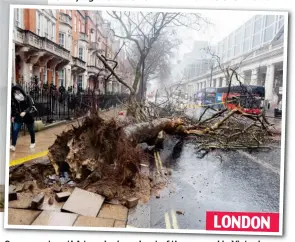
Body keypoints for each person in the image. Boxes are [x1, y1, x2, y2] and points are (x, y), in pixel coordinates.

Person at [10, 84, 36, 151]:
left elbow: (30, 106)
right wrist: (12, 116)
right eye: (15, 91)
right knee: (15, 130)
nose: (16, 92)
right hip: (18, 116)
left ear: (21, 90)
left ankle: (33, 142)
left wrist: (25, 112)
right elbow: (13, 107)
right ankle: (13, 145)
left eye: (18, 90)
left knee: (31, 130)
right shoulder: (14, 99)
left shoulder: (27, 97)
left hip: (27, 116)